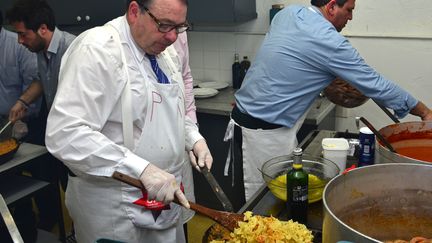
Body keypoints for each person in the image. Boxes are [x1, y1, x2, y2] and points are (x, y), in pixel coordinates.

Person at [226, 0, 432, 202]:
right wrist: (424, 112)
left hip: (243, 117)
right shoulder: (329, 41)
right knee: (265, 204)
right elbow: (376, 84)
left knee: (268, 198)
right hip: (263, 137)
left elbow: (288, 61)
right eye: (349, 10)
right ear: (332, 6)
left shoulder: (288, 14)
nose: (351, 17)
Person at [44, 0, 213, 242]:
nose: (173, 37)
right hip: (116, 210)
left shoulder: (165, 52)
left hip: (166, 202)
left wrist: (193, 137)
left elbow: (169, 111)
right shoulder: (98, 49)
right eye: (165, 25)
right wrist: (141, 169)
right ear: (135, 12)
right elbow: (65, 133)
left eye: (180, 26)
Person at [6, 0, 76, 231]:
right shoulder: (42, 49)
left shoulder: (72, 49)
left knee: (79, 192)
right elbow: (40, 80)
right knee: (64, 188)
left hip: (77, 135)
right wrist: (22, 101)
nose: (19, 41)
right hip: (60, 134)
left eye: (23, 35)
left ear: (43, 29)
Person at [0, 9, 41, 243]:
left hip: (25, 122)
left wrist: (23, 117)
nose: (21, 37)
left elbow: (36, 84)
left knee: (30, 177)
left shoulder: (17, 45)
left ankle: (34, 226)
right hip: (2, 123)